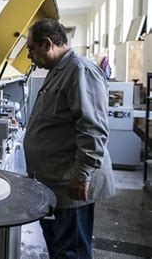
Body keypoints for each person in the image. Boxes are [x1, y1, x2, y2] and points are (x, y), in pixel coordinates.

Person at [23, 18, 115, 259]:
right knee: (58, 247)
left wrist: (81, 175)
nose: (29, 55)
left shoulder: (79, 70)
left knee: (71, 251)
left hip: (70, 184)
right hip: (54, 181)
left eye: (30, 48)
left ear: (47, 44)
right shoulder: (59, 71)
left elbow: (93, 129)